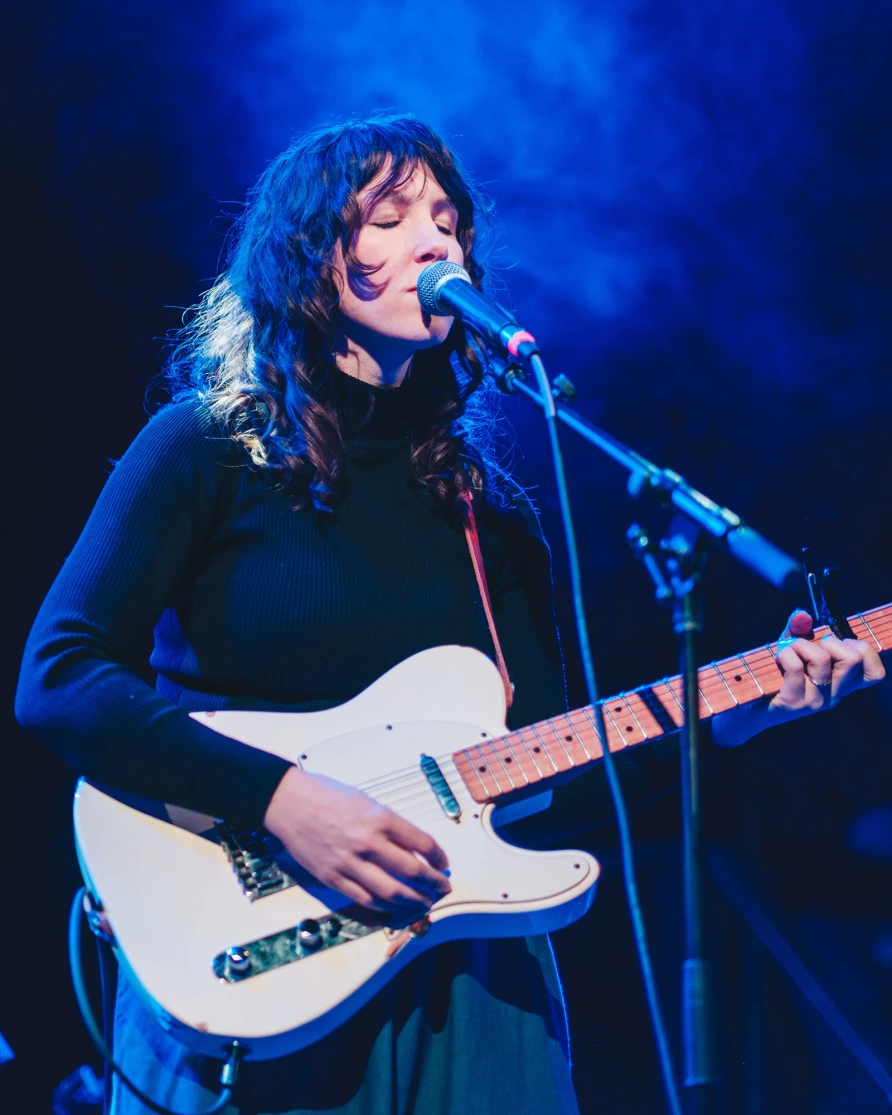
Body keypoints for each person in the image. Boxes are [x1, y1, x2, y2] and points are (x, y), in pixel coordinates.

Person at [15, 114, 885, 1115]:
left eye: (448, 219)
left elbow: (550, 777)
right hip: (248, 950)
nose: (440, 242)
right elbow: (60, 679)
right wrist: (284, 799)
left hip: (468, 965)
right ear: (309, 258)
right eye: (391, 217)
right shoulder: (206, 448)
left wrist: (739, 713)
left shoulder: (489, 512)